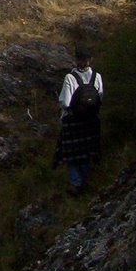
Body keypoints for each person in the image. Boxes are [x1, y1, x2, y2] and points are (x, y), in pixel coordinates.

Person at [53, 46, 104, 196]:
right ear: (90, 60)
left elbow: (65, 102)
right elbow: (100, 98)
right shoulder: (97, 76)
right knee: (87, 152)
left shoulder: (70, 77)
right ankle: (85, 180)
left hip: (73, 121)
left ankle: (76, 184)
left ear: (77, 60)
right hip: (91, 120)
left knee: (71, 154)